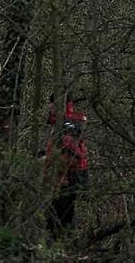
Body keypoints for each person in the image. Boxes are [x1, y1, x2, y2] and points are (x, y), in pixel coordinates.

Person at [43, 99, 90, 235]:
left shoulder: (69, 125)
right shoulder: (59, 123)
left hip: (65, 179)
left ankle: (59, 240)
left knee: (60, 217)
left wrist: (52, 160)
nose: (49, 107)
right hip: (60, 178)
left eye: (51, 104)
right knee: (57, 215)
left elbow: (75, 154)